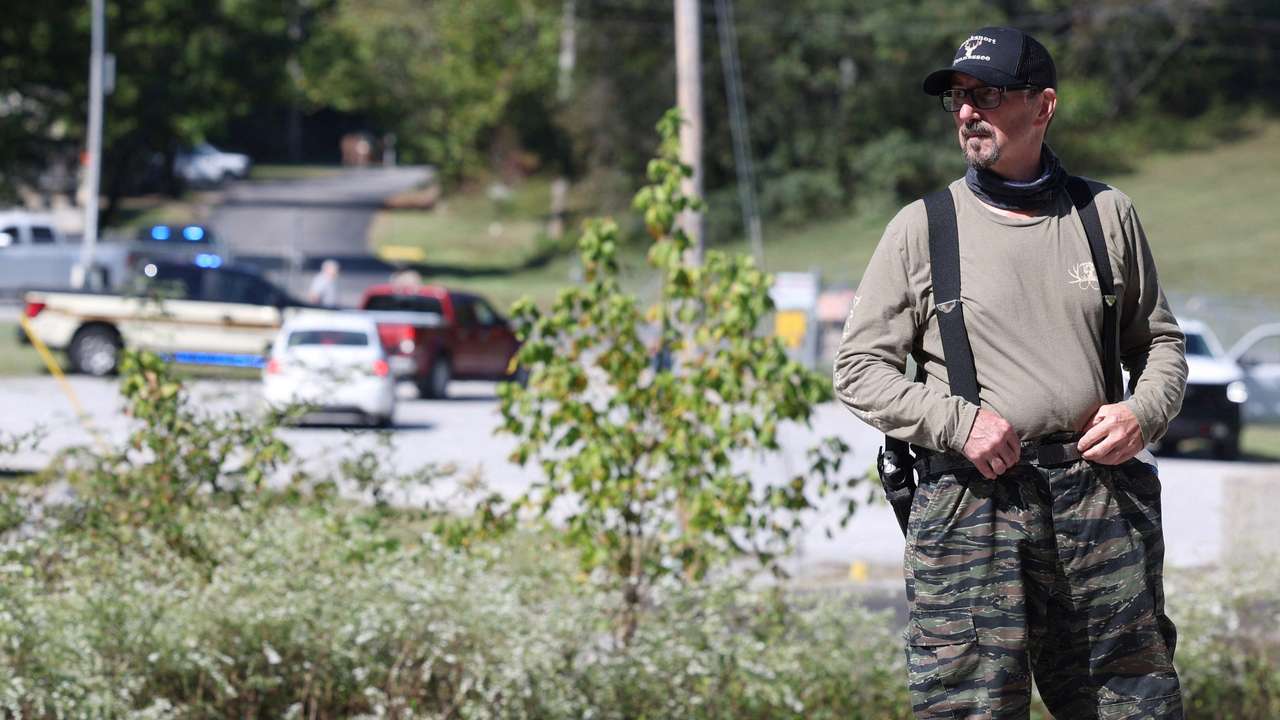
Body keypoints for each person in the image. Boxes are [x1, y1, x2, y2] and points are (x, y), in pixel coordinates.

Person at [833, 26, 1188, 719]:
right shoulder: (922, 227)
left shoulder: (1104, 214)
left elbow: (1162, 346)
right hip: (972, 509)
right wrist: (957, 422)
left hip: (1099, 506)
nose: (968, 111)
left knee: (1131, 706)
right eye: (959, 98)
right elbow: (858, 369)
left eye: (987, 94)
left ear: (1043, 105)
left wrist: (1142, 413)